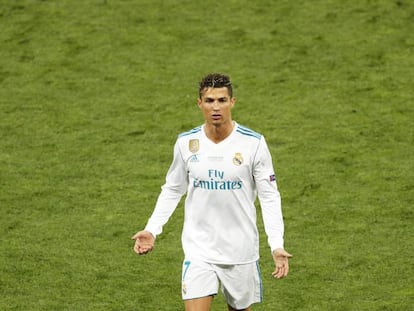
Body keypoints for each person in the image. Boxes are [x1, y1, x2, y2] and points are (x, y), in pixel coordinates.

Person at [132, 73, 292, 311]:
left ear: (232, 102)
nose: (215, 107)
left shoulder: (253, 144)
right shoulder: (186, 143)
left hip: (240, 251)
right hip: (199, 250)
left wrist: (276, 244)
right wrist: (152, 229)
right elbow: (173, 189)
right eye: (209, 101)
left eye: (221, 100)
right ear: (200, 104)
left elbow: (269, 196)